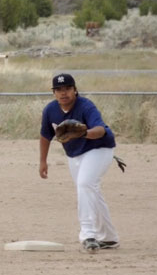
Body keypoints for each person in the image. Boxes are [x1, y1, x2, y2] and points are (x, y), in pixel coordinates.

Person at [38, 72, 120, 253]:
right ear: (54, 93)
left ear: (75, 90)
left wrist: (83, 133)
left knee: (84, 184)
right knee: (90, 191)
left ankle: (88, 234)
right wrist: (43, 161)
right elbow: (45, 136)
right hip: (74, 155)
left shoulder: (86, 106)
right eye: (58, 89)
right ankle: (109, 237)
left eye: (67, 88)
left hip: (99, 149)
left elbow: (100, 130)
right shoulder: (50, 110)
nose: (63, 93)